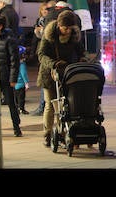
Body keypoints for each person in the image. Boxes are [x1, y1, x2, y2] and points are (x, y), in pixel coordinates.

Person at [37, 9, 87, 148]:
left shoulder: (74, 35)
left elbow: (81, 51)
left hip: (67, 74)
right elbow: (41, 55)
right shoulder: (49, 35)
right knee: (50, 106)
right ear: (59, 25)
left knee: (66, 106)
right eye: (65, 28)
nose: (67, 31)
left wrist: (83, 58)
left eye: (70, 28)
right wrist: (53, 64)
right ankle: (47, 134)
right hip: (49, 75)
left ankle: (65, 132)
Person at [0, 12, 23, 136]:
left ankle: (16, 127)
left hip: (6, 77)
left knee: (11, 103)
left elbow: (14, 61)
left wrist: (13, 78)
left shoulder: (9, 41)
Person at [29, 0, 55, 116]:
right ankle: (43, 106)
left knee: (47, 84)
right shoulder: (40, 21)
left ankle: (43, 107)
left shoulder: (51, 23)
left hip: (50, 59)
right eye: (44, 10)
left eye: (48, 9)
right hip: (46, 58)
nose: (46, 12)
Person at [15, 45, 30, 115]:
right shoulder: (22, 65)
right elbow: (24, 74)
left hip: (15, 84)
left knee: (16, 98)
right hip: (21, 84)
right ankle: (21, 109)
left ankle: (17, 108)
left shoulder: (14, 64)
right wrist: (26, 83)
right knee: (21, 98)